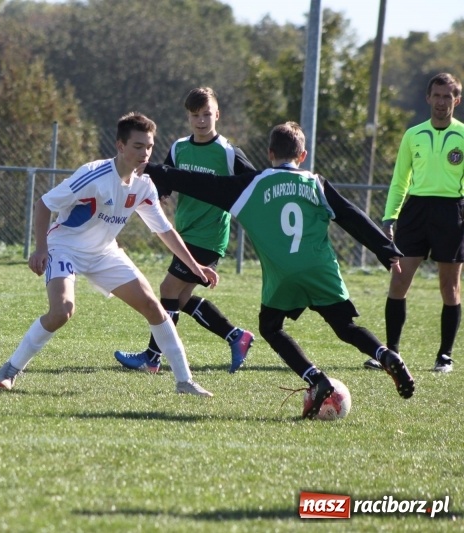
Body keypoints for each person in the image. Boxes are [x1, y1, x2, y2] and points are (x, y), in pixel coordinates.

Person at [143, 122, 415, 419]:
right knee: (345, 327)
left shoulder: (252, 184)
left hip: (283, 275)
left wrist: (156, 171)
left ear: (270, 152)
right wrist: (384, 249)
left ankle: (316, 379)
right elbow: (352, 215)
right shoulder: (316, 183)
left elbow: (199, 183)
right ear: (303, 154)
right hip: (320, 270)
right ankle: (385, 354)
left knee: (271, 328)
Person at [0, 112, 219, 397]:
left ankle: (184, 382)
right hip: (65, 248)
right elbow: (44, 204)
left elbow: (165, 231)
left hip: (104, 253)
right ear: (120, 146)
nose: (145, 153)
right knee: (62, 311)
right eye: (138, 146)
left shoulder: (144, 186)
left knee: (154, 307)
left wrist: (196, 266)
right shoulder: (93, 174)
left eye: (149, 146)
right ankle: (10, 370)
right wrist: (40, 248)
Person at [114, 87, 257, 374]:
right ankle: (236, 337)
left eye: (207, 114)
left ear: (217, 114)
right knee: (177, 299)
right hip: (185, 231)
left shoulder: (229, 153)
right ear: (188, 117)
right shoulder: (180, 147)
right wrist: (161, 193)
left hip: (210, 235)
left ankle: (152, 358)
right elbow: (166, 177)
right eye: (195, 115)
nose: (201, 121)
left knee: (168, 289)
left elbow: (251, 183)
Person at [382, 72, 464, 374]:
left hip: (452, 212)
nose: (442, 102)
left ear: (456, 100)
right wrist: (390, 217)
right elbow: (400, 179)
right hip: (415, 211)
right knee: (399, 280)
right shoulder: (412, 135)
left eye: (448, 96)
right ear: (428, 98)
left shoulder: (463, 135)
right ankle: (390, 352)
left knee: (449, 286)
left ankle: (444, 355)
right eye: (437, 95)